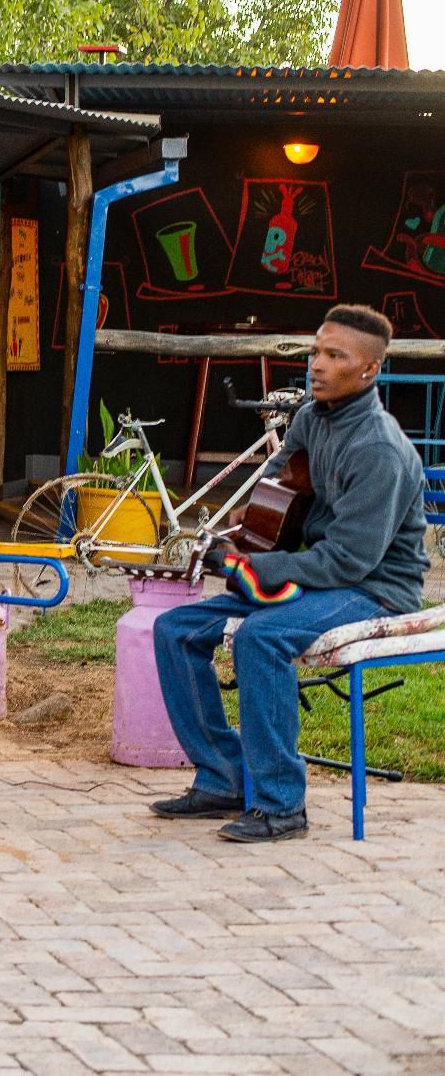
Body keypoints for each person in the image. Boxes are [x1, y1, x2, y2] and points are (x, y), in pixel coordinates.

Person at [151, 304, 427, 843]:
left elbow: (350, 561)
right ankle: (224, 777)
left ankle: (281, 805)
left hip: (375, 589)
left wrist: (249, 565)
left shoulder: (379, 450)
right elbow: (275, 486)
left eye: (334, 356)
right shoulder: (310, 418)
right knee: (175, 630)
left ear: (368, 370)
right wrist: (240, 529)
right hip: (319, 573)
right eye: (314, 352)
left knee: (262, 636)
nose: (315, 365)